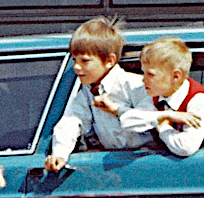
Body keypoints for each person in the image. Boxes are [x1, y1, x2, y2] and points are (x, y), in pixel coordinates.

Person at [44, 16, 152, 172]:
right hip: (113, 164)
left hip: (146, 161)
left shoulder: (135, 85)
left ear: (109, 60)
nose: (76, 67)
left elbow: (150, 118)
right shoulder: (87, 92)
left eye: (84, 61)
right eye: (74, 60)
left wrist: (117, 111)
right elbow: (71, 121)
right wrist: (60, 154)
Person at [121, 36, 204, 157]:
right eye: (143, 73)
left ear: (176, 76)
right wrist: (165, 115)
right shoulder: (156, 97)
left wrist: (163, 126)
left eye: (150, 74)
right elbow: (127, 121)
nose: (143, 79)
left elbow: (186, 147)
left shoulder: (198, 100)